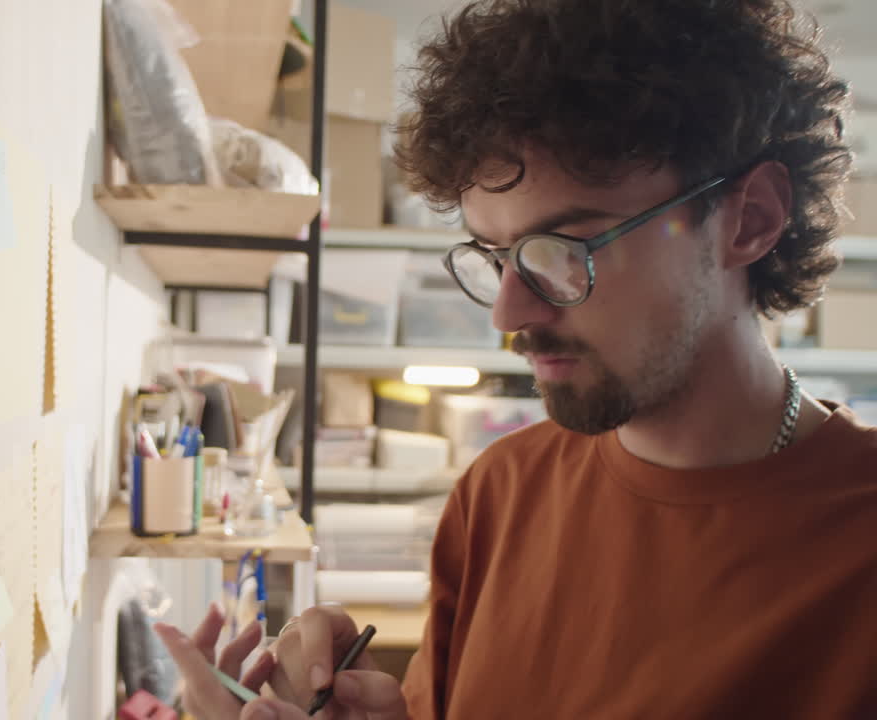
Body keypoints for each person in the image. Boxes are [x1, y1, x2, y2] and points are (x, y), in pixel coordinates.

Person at [154, 0, 877, 717]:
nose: (508, 312)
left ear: (750, 220)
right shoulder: (500, 493)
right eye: (495, 256)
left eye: (565, 250)